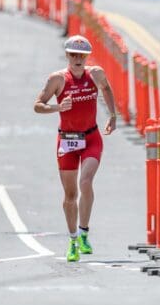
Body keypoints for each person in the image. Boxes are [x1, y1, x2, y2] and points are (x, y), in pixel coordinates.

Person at [33, 35, 117, 262]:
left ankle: (84, 232)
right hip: (67, 140)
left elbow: (107, 89)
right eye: (73, 55)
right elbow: (38, 106)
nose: (78, 59)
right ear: (67, 55)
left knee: (86, 181)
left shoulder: (95, 73)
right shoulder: (58, 79)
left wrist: (113, 115)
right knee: (71, 194)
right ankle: (72, 239)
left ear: (87, 56)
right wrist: (58, 107)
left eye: (81, 55)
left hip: (91, 137)